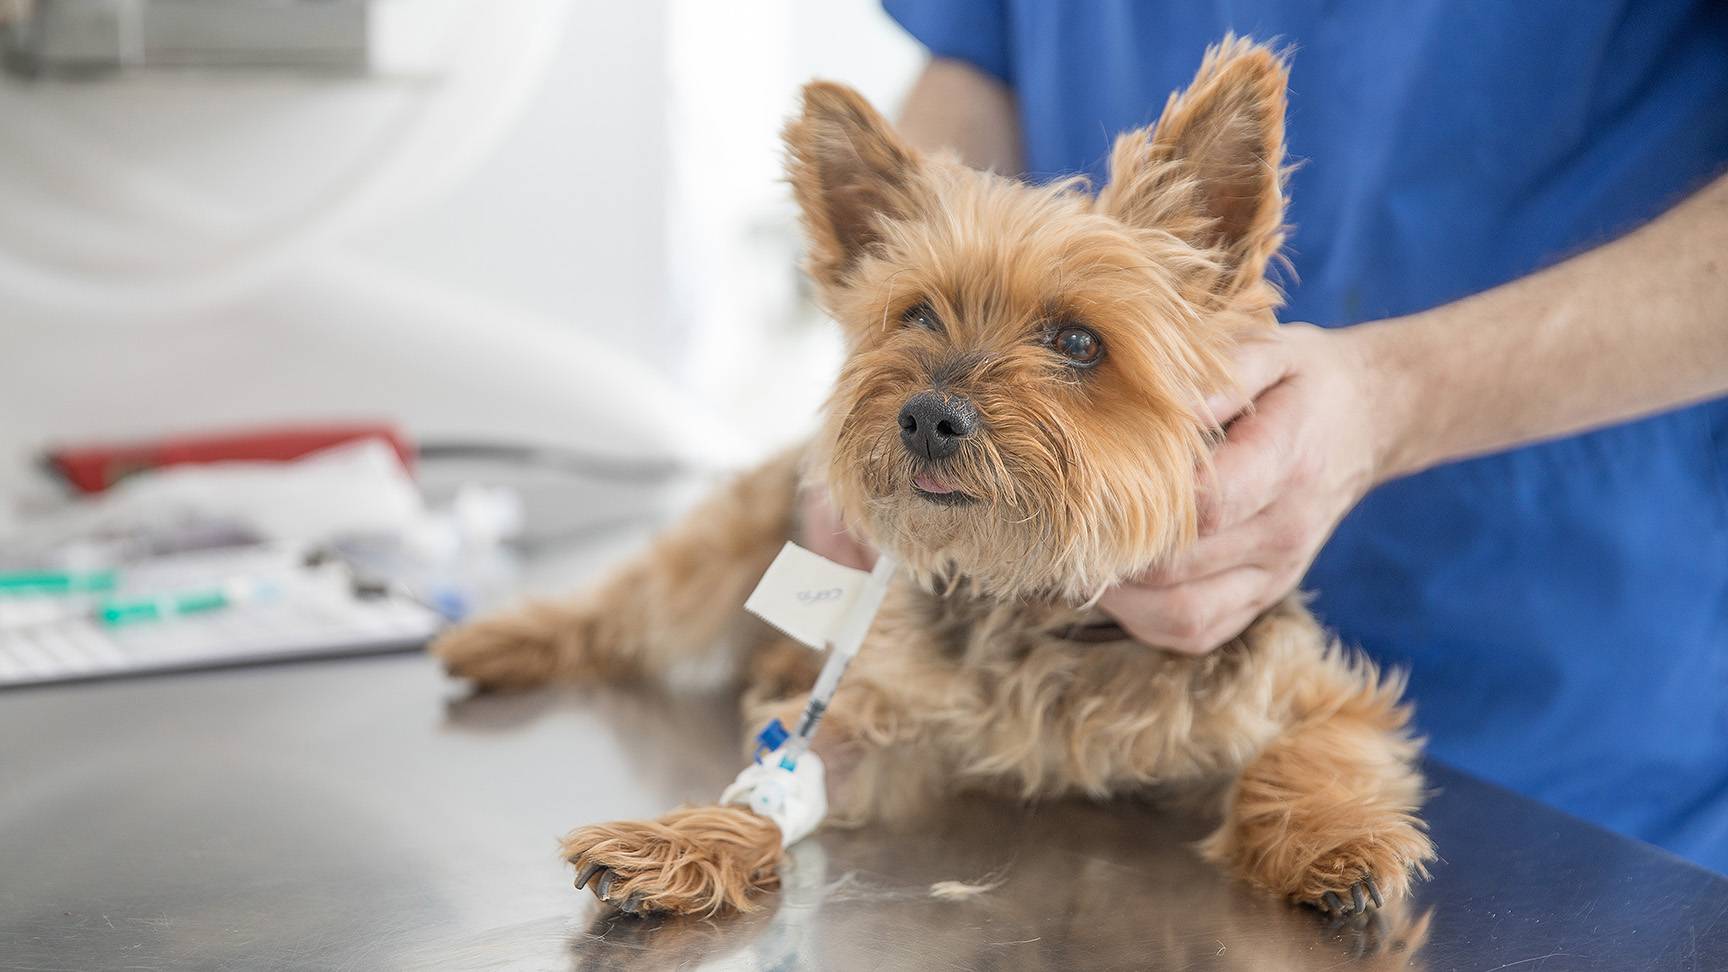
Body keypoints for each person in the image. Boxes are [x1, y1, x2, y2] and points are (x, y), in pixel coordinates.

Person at [801, 1, 1728, 873]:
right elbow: (979, 64)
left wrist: (1395, 398)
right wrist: (890, 344)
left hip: (1580, 719)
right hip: (1003, 750)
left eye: (1073, 344)